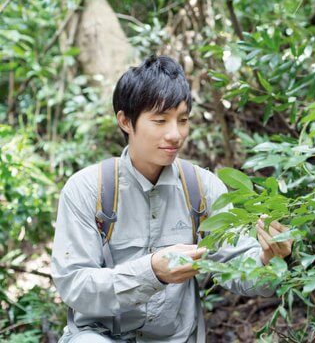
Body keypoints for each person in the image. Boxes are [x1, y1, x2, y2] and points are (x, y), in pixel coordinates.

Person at [51, 55, 293, 342]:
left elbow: (236, 268)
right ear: (125, 121)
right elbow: (74, 285)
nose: (175, 134)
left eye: (183, 120)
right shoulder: (88, 190)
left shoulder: (202, 189)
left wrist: (269, 258)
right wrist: (151, 271)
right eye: (160, 120)